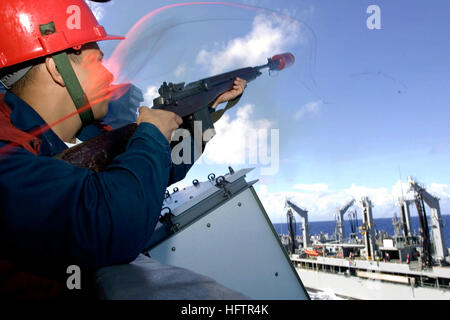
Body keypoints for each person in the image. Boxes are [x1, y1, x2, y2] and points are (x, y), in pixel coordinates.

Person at [0, 0, 246, 299]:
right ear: (57, 68)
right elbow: (111, 226)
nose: (109, 75)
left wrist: (204, 112)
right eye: (97, 61)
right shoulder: (6, 151)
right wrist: (151, 132)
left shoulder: (81, 137)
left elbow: (158, 169)